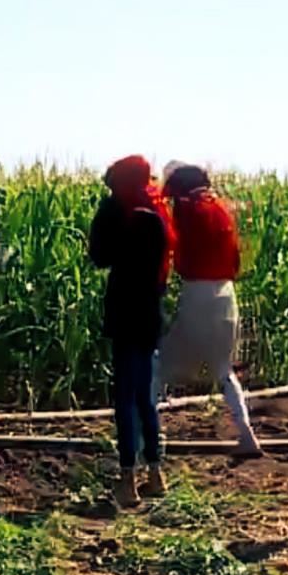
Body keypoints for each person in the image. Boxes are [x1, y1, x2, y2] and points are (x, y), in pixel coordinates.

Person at [158, 162, 263, 458]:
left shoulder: (188, 209)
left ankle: (148, 436)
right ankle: (246, 434)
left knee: (160, 366)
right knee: (224, 371)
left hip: (198, 294)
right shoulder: (220, 208)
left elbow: (176, 248)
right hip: (226, 294)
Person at [88, 155, 174, 509]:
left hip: (125, 310)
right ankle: (155, 474)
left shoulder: (116, 208)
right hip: (150, 311)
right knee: (145, 396)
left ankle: (128, 480)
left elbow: (99, 256)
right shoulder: (157, 209)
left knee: (124, 397)